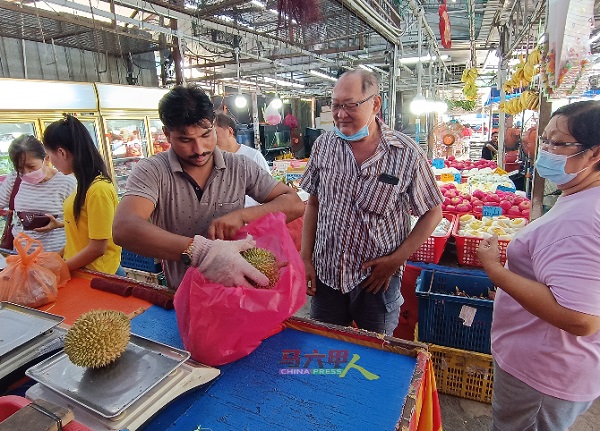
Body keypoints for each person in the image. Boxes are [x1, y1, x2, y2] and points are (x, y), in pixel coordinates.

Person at [477, 100, 600, 431]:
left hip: (544, 372)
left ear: (595, 154)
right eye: (543, 140)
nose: (545, 150)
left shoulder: (584, 218)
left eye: (557, 143)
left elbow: (581, 319)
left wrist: (496, 271)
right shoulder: (581, 197)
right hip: (552, 364)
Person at [113, 85, 304, 289]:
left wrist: (243, 216)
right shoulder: (152, 171)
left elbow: (294, 204)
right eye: (185, 140)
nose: (199, 150)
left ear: (214, 126)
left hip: (240, 295)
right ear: (167, 134)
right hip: (183, 294)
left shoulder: (239, 166)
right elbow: (124, 228)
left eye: (206, 135)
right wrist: (200, 251)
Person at [299, 69, 443, 335]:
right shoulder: (324, 146)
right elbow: (314, 203)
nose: (341, 114)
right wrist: (305, 257)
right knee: (328, 354)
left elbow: (433, 212)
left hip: (377, 282)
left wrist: (396, 260)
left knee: (375, 358)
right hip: (327, 277)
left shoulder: (405, 153)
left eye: (350, 105)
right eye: (335, 106)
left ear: (375, 104)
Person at [43, 115, 123, 275]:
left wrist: (60, 269)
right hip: (84, 273)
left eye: (49, 155)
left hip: (99, 277)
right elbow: (83, 234)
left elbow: (97, 248)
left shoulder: (98, 189)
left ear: (62, 152)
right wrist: (57, 257)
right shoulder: (85, 186)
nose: (50, 162)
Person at [0, 135, 76, 252]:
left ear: (46, 158)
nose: (26, 172)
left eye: (31, 166)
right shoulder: (14, 179)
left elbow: (82, 222)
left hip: (57, 256)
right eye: (20, 168)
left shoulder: (66, 182)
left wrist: (60, 224)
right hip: (22, 255)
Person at [215, 112, 270, 207]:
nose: (211, 139)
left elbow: (269, 190)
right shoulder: (212, 160)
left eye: (215, 133)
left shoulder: (253, 156)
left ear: (230, 131)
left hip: (252, 218)